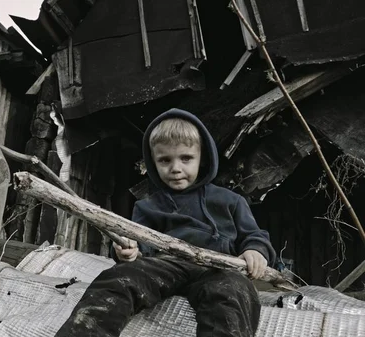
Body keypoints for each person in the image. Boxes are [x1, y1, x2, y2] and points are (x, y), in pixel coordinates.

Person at [55, 108, 276, 337]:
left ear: (202, 159)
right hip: (165, 266)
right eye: (165, 160)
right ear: (153, 163)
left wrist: (255, 251)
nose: (176, 168)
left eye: (186, 158)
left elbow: (254, 235)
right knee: (117, 279)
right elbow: (137, 244)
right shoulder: (147, 206)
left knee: (234, 291)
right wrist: (128, 251)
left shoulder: (231, 201)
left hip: (218, 268)